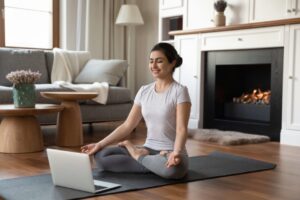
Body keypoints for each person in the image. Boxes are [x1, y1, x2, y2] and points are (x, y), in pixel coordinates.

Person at [81, 42, 191, 179]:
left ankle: (137, 155)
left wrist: (177, 152)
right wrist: (99, 144)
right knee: (100, 156)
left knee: (174, 171)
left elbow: (182, 129)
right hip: (148, 149)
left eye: (159, 61)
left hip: (170, 152)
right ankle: (147, 161)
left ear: (172, 63)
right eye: (151, 61)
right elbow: (128, 125)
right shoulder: (144, 91)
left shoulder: (180, 91)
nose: (154, 66)